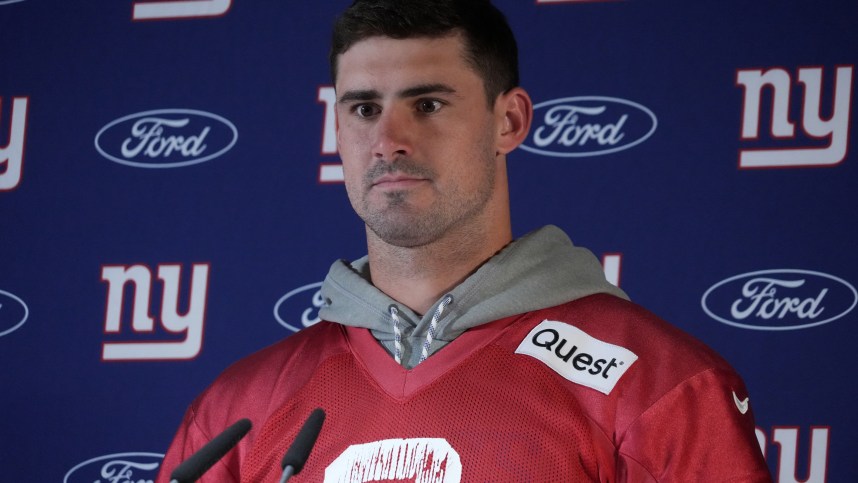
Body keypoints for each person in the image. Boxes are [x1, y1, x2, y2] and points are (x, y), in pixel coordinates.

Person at [158, 0, 772, 481]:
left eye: (427, 104)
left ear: (509, 122)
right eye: (364, 109)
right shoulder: (238, 412)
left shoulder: (655, 388)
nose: (389, 139)